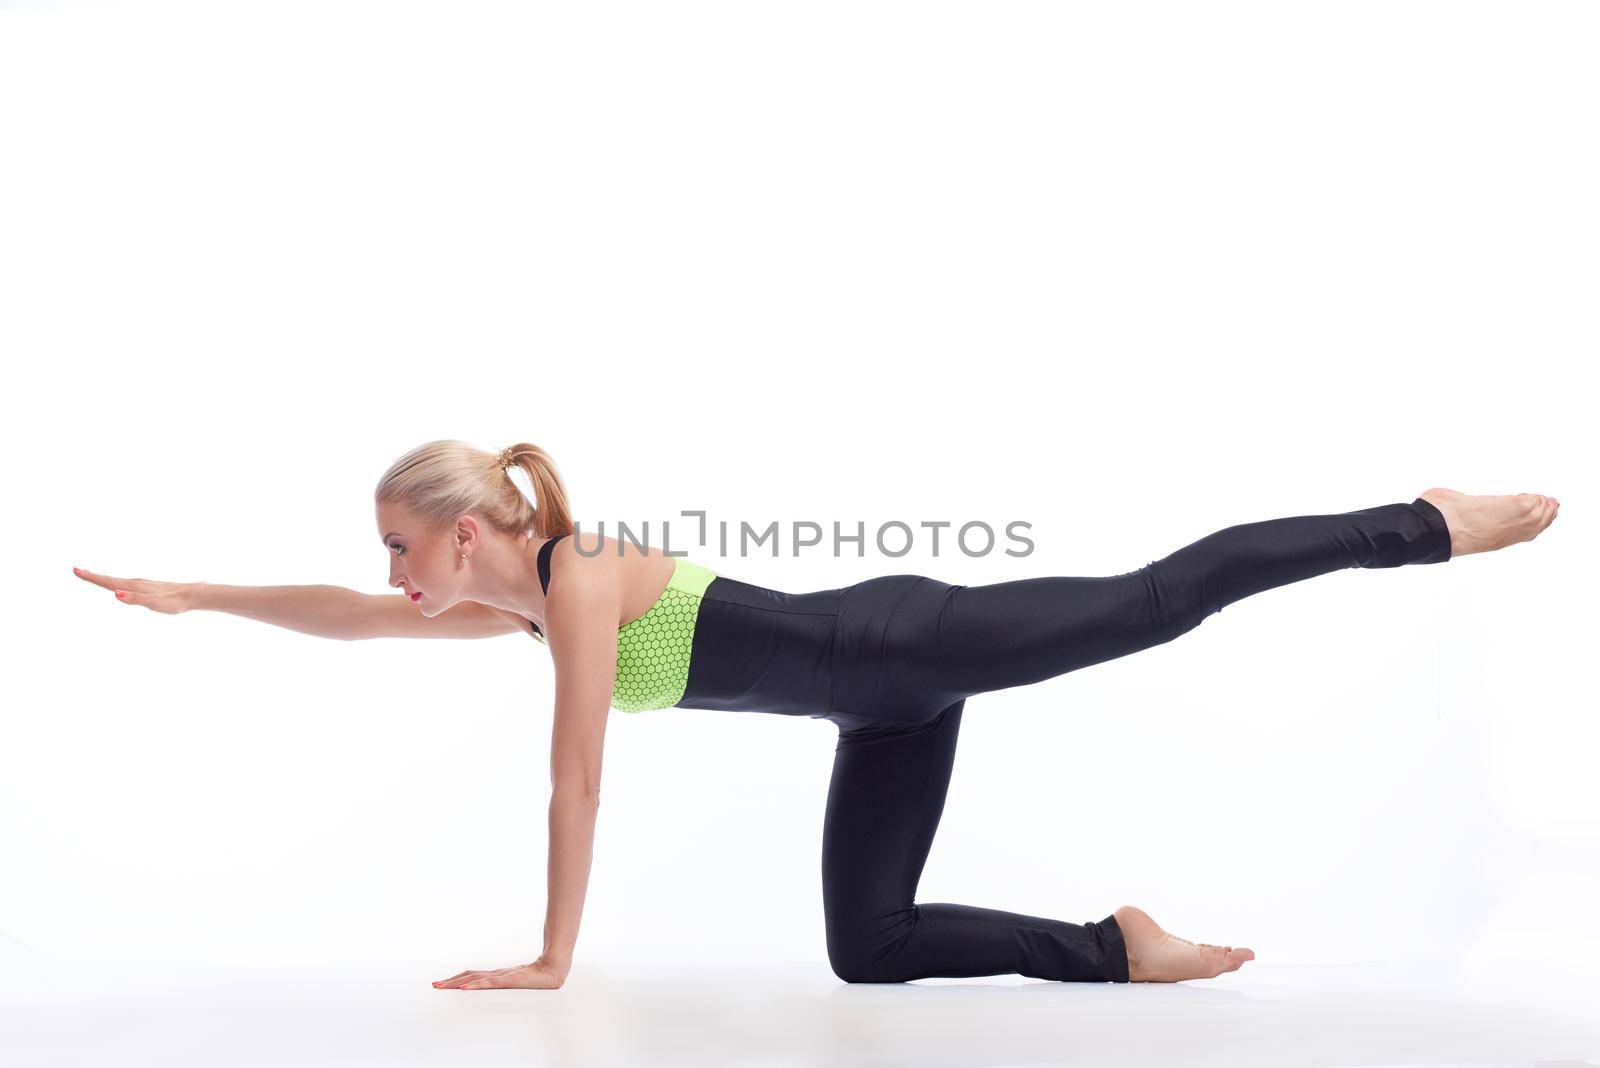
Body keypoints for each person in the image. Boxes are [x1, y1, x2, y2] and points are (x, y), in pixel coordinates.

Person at [73, 440, 1561, 991]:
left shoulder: (578, 577)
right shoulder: (508, 602)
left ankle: (1418, 521)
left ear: (466, 534)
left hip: (913, 632)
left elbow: (575, 780)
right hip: (885, 717)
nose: (386, 571)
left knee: (1160, 596)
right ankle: (1121, 949)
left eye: (400, 544)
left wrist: (552, 956)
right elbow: (338, 618)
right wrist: (193, 597)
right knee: (871, 951)